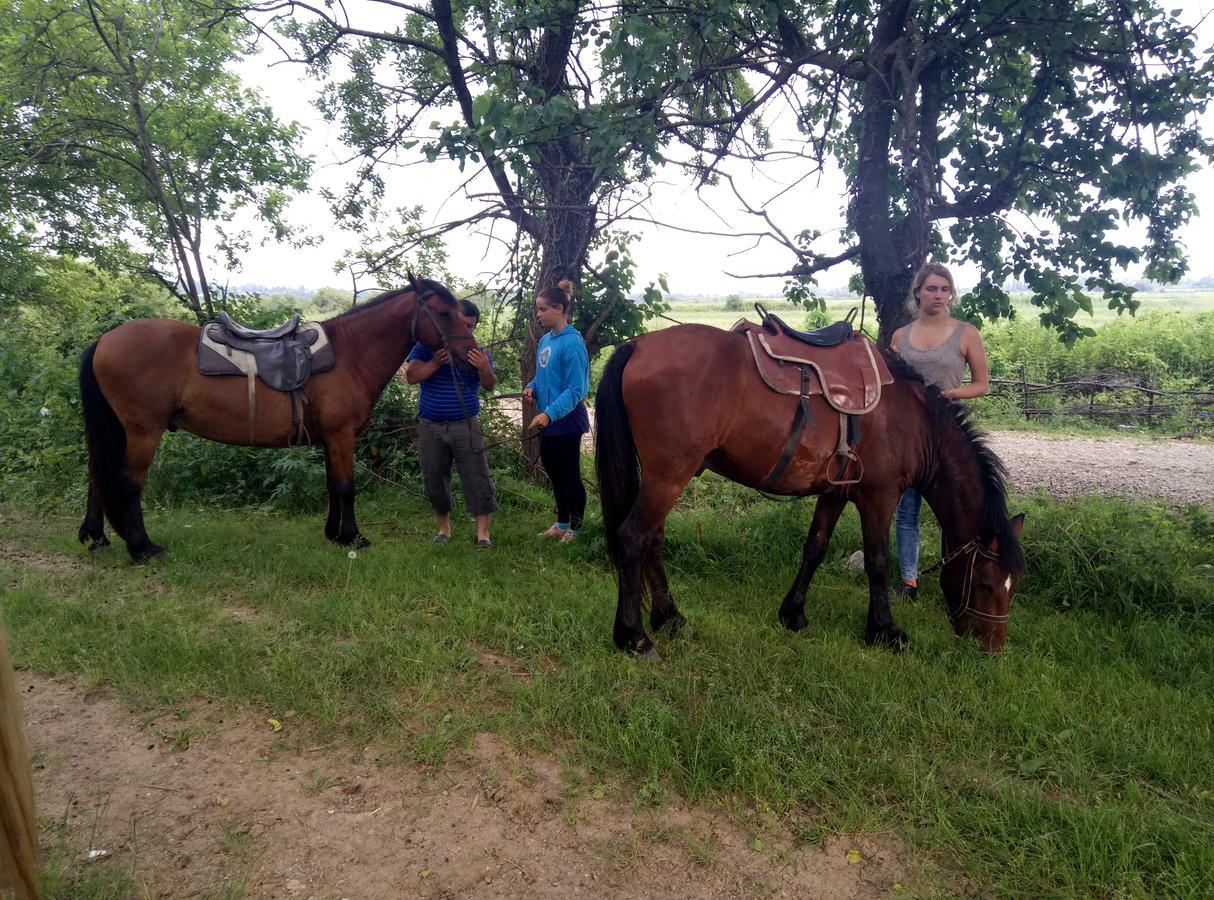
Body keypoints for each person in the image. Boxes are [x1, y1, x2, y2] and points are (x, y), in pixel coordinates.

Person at [889, 262, 990, 599]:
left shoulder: (966, 333)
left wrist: (951, 395)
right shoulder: (901, 337)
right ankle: (909, 581)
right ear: (918, 292)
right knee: (907, 509)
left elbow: (981, 384)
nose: (938, 295)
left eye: (944, 289)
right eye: (931, 288)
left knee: (956, 507)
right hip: (908, 437)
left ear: (951, 294)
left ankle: (958, 573)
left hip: (949, 436)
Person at [405, 299, 498, 548]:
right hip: (430, 426)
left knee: (476, 477)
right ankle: (444, 530)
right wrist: (436, 362)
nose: (468, 330)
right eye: (464, 324)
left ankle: (483, 535)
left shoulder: (476, 351)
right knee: (434, 477)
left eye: (471, 326)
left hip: (465, 425)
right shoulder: (426, 347)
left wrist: (483, 368)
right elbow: (411, 376)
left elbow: (490, 385)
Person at [524, 279, 590, 543]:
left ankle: (576, 528)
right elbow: (544, 377)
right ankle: (561, 523)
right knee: (554, 472)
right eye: (537, 309)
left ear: (559, 308)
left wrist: (549, 413)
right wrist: (532, 387)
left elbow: (576, 389)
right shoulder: (545, 341)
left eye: (543, 309)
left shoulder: (572, 343)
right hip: (548, 419)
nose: (538, 315)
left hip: (566, 419)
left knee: (569, 474)